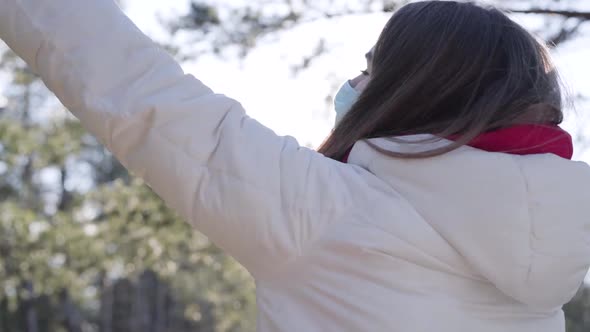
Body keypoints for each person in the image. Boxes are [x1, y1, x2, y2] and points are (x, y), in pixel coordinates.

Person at [1, 0, 589, 331]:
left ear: (418, 89)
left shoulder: (322, 214)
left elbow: (136, 93)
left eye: (372, 69)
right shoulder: (552, 255)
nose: (355, 84)